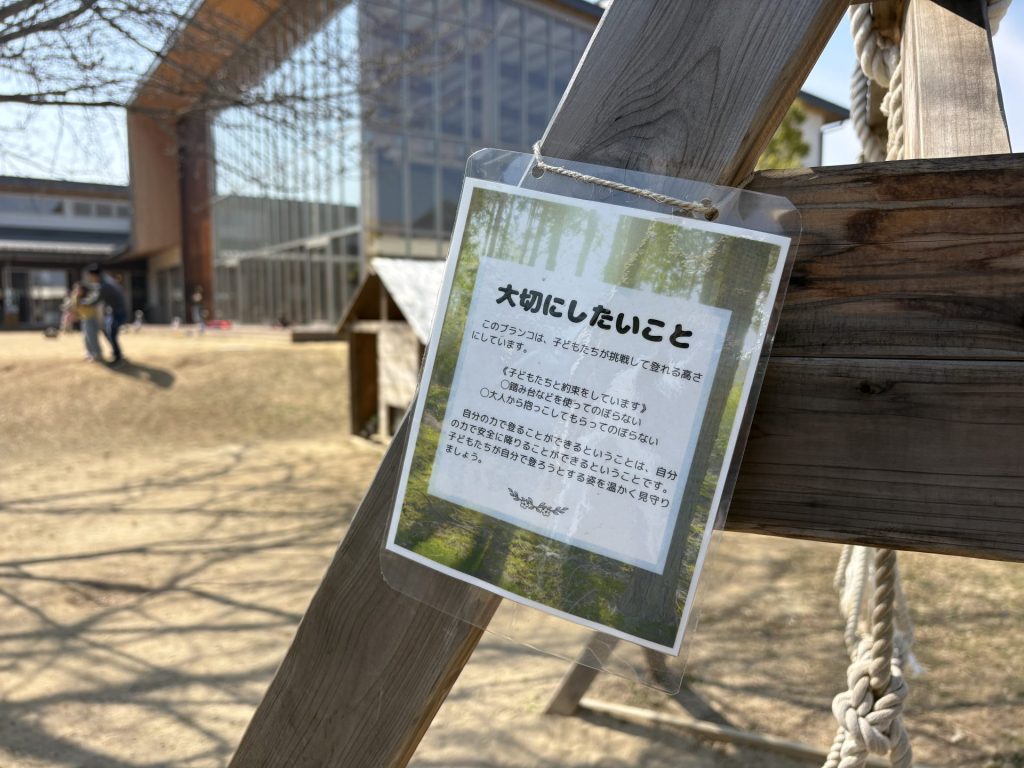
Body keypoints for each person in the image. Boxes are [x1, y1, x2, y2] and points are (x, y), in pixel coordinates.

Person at [82, 264, 128, 364]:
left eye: (90, 276)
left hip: (118, 311)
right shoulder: (105, 281)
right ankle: (116, 353)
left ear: (95, 275)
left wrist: (84, 302)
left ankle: (118, 356)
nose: (90, 279)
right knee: (107, 331)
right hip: (113, 311)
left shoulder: (105, 286)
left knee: (111, 332)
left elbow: (96, 300)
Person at [69, 283, 102, 361]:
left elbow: (88, 303)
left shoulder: (88, 297)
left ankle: (97, 354)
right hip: (84, 319)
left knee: (92, 338)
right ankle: (89, 352)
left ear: (83, 290)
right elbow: (74, 309)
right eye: (76, 289)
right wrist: (73, 316)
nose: (77, 291)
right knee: (86, 338)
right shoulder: (75, 298)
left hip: (91, 319)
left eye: (79, 289)